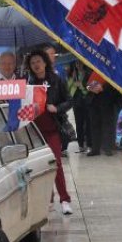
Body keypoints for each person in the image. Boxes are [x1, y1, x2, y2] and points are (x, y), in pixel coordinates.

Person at [25, 48, 73, 214]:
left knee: (56, 164)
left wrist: (57, 108)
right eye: (32, 63)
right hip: (34, 133)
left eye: (38, 61)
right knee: (39, 167)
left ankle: (65, 199)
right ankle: (48, 198)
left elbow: (69, 101)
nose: (36, 65)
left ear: (45, 62)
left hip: (53, 129)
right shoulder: (28, 83)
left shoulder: (57, 80)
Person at [87, 72, 117, 156]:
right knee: (94, 126)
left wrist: (102, 87)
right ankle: (95, 149)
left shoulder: (108, 69)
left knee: (107, 125)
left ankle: (107, 148)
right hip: (93, 102)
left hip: (106, 102)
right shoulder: (92, 68)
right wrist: (90, 87)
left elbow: (115, 85)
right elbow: (85, 83)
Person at [67, 61, 93, 153]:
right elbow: (69, 90)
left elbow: (89, 89)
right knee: (79, 124)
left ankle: (89, 144)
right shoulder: (72, 75)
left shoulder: (88, 74)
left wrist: (81, 85)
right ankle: (81, 145)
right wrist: (72, 80)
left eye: (80, 63)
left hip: (86, 102)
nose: (78, 65)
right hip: (76, 103)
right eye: (77, 64)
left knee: (88, 124)